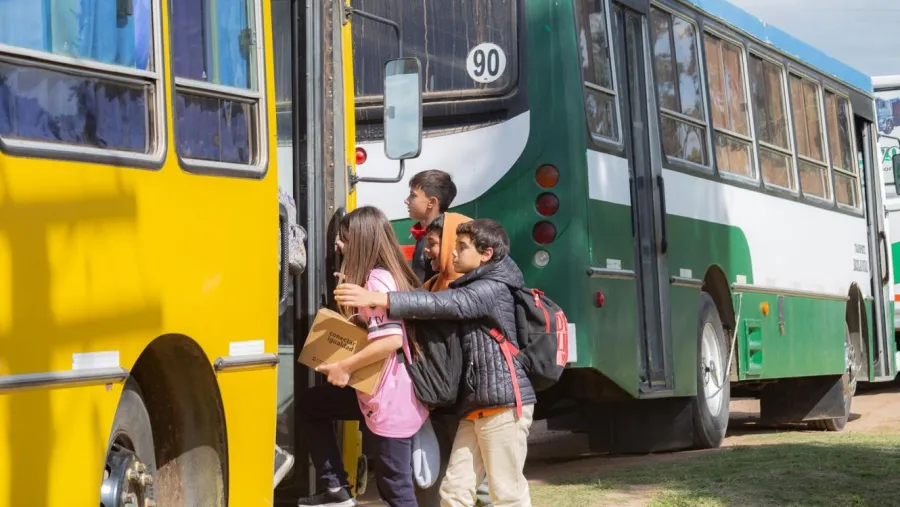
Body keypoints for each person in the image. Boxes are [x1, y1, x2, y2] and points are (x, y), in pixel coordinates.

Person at [335, 219, 536, 507]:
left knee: (507, 494)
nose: (453, 253)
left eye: (462, 247)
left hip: (504, 403)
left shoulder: (492, 287)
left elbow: (446, 304)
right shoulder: (472, 284)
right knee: (454, 491)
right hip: (478, 404)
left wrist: (379, 297)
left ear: (486, 254)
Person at [296, 206, 428, 507]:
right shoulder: (388, 275)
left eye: (344, 239)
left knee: (396, 486)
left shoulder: (378, 281)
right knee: (311, 405)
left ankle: (336, 488)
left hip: (391, 398)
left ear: (362, 240)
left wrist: (344, 366)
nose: (339, 246)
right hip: (380, 393)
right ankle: (335, 489)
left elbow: (391, 340)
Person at [406, 170, 457, 283]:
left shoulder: (444, 240)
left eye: (413, 195)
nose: (406, 200)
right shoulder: (423, 236)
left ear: (431, 202)